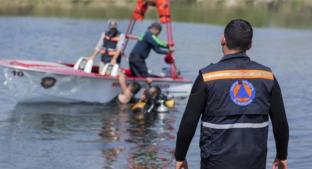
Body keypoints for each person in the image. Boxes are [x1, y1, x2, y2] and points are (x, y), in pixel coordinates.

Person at [175, 19, 289, 169]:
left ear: (223, 39)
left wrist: (180, 157)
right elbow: (280, 123)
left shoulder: (207, 77)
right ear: (250, 44)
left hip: (215, 163)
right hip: (254, 162)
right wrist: (282, 156)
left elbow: (189, 122)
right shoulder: (267, 76)